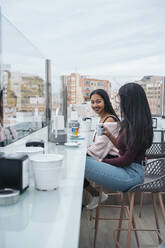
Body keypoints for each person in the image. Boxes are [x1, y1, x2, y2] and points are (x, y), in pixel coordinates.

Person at [85, 83, 153, 209]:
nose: (119, 103)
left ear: (129, 101)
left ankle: (94, 195)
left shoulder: (138, 126)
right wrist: (109, 135)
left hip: (132, 175)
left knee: (80, 162)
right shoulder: (129, 123)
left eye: (120, 99)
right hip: (126, 169)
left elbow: (126, 159)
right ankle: (95, 195)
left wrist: (101, 161)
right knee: (81, 161)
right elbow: (122, 148)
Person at [84, 89, 120, 209]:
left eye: (98, 101)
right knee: (77, 165)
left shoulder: (109, 120)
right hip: (105, 156)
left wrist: (83, 154)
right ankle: (95, 194)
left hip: (112, 159)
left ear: (106, 102)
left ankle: (96, 194)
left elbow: (100, 147)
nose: (95, 105)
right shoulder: (103, 118)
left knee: (77, 166)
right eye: (92, 102)